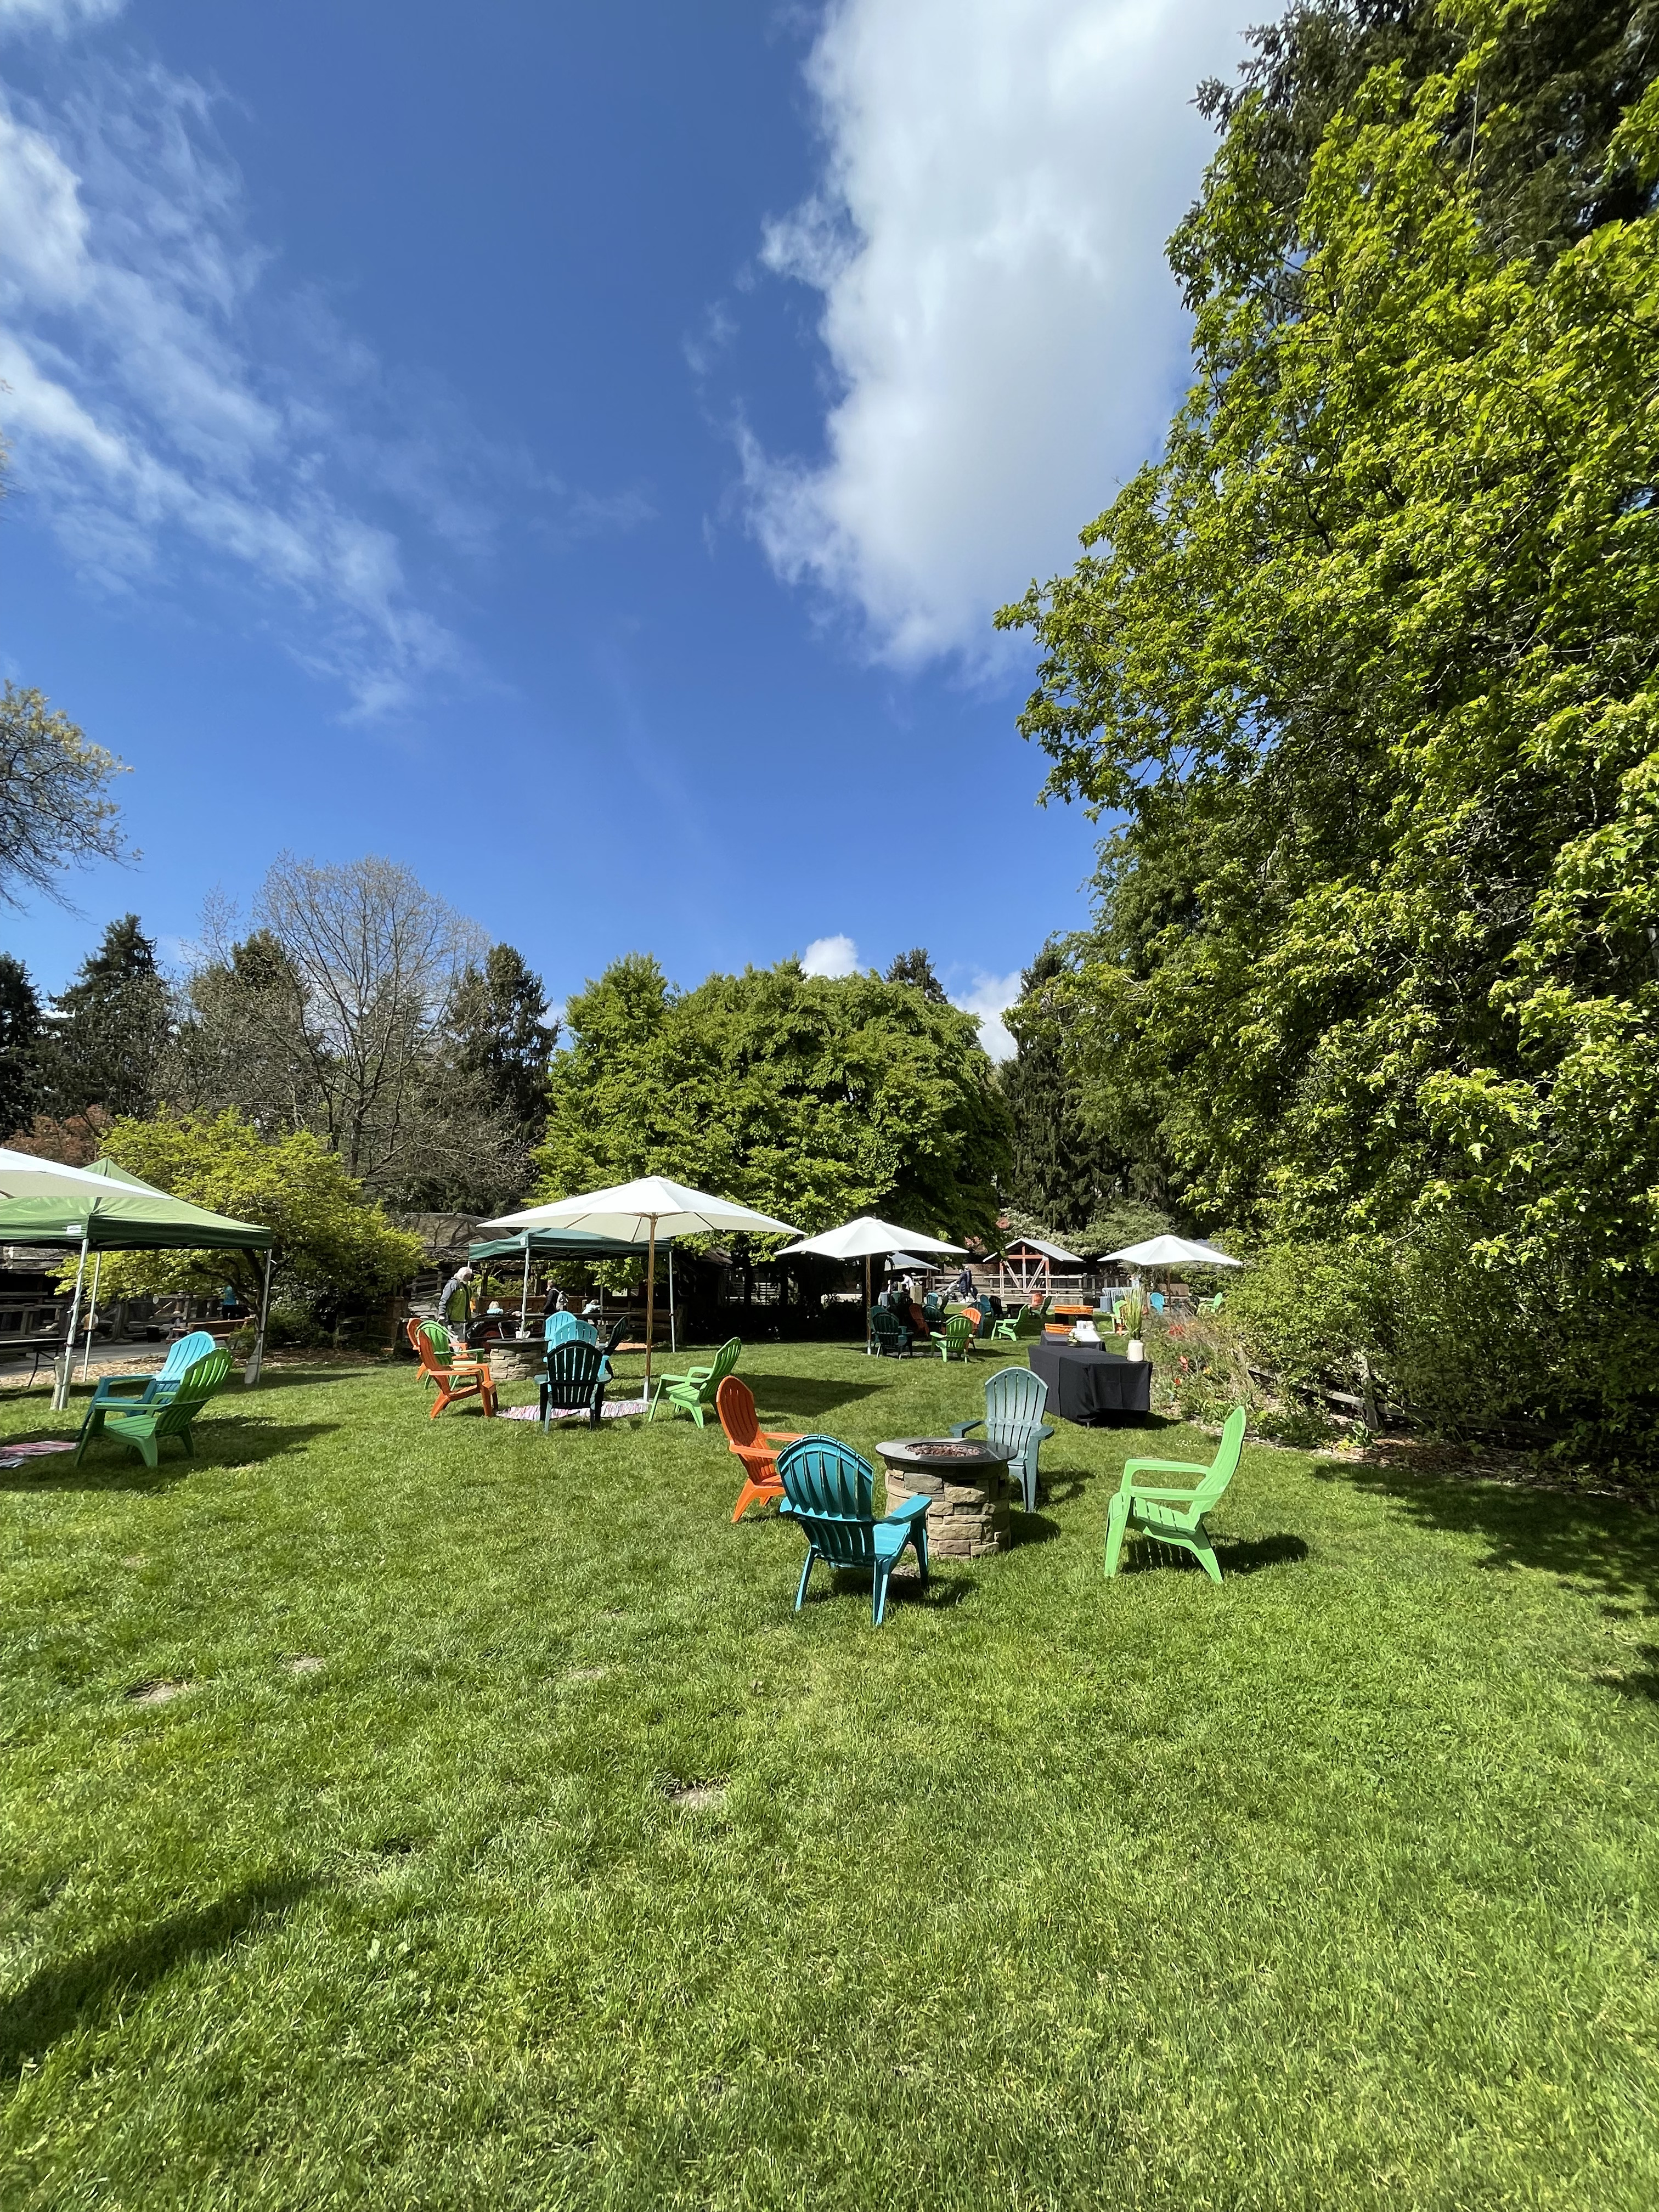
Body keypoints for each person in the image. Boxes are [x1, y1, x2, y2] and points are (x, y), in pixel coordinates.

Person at [437, 1263, 474, 1338]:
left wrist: (468, 1317)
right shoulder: (453, 1285)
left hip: (461, 1319)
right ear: (461, 1275)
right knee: (455, 1340)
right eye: (466, 1276)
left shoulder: (467, 1288)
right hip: (451, 1320)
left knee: (460, 1340)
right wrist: (442, 1314)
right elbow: (444, 1300)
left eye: (469, 1276)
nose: (468, 1278)